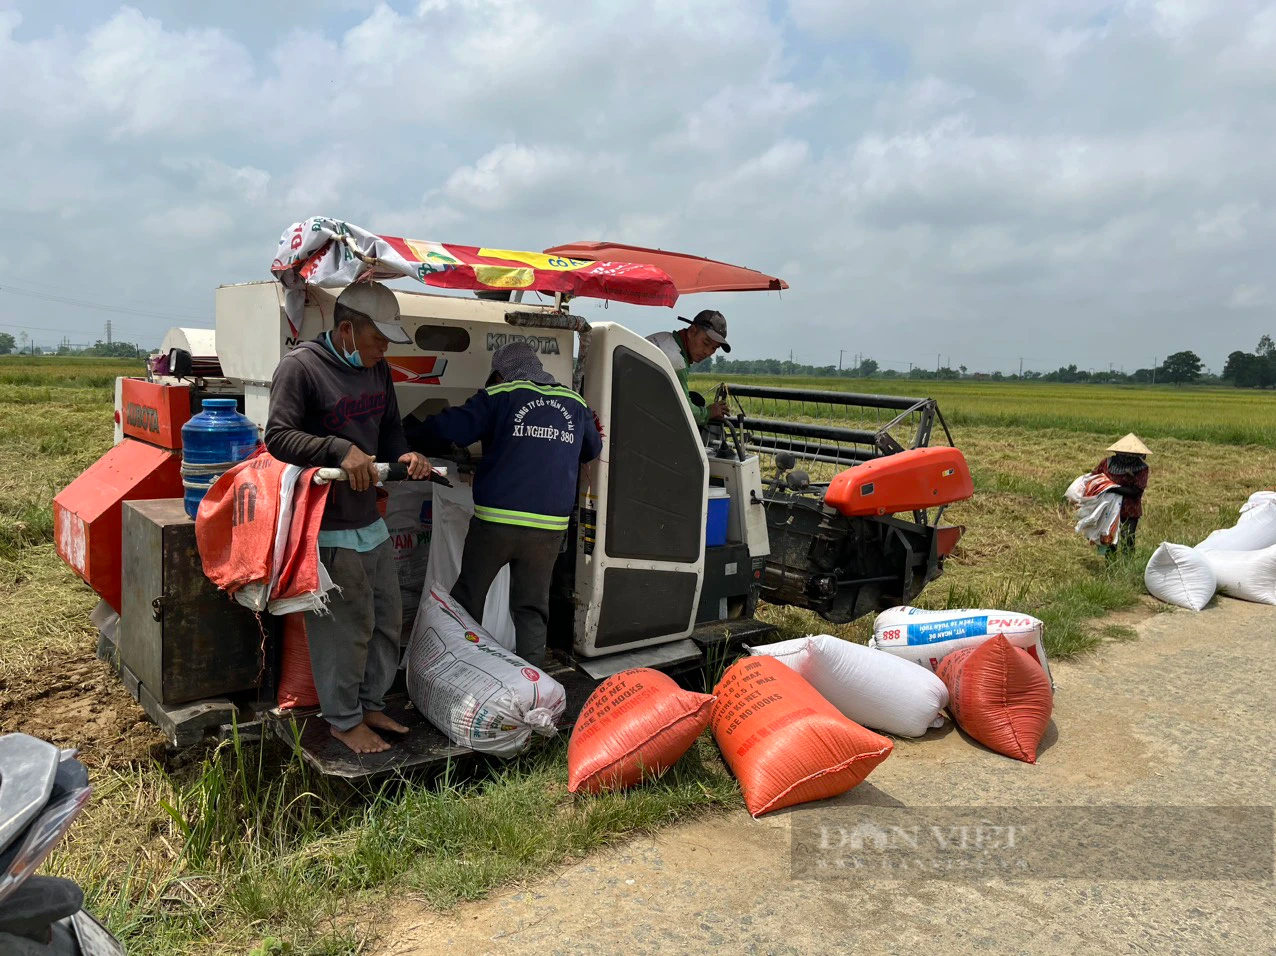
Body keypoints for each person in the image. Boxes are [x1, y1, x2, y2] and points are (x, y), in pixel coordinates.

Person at [264, 281, 431, 755]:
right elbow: (278, 436)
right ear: (346, 331)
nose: (383, 350)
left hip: (368, 520)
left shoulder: (377, 372)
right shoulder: (300, 369)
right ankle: (342, 719)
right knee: (344, 626)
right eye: (378, 339)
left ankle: (370, 702)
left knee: (384, 617)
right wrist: (338, 450)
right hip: (326, 523)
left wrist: (407, 456)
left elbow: (391, 430)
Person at [414, 342, 603, 666]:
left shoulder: (502, 394)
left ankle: (457, 669)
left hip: (497, 523)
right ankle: (532, 685)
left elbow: (448, 428)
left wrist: (406, 436)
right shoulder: (574, 402)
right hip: (549, 529)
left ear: (500, 373)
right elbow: (591, 449)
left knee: (468, 599)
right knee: (531, 608)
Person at [646, 309, 732, 426]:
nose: (707, 352)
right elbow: (687, 412)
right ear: (692, 331)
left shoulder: (663, 337)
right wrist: (708, 412)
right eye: (706, 343)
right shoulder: (677, 362)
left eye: (714, 348)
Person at [1091, 433, 1150, 557]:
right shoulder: (1107, 463)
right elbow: (1095, 478)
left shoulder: (1141, 468)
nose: (1127, 457)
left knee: (1127, 539)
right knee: (1109, 540)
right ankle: (1110, 569)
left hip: (1129, 510)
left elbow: (1137, 490)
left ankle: (1127, 568)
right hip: (1108, 508)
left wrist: (1112, 488)